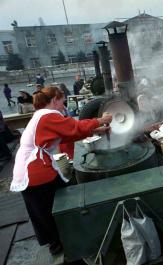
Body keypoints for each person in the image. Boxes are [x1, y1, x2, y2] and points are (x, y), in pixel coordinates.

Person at [10, 86, 112, 255]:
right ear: (54, 100)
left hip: (32, 168)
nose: (64, 105)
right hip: (35, 171)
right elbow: (73, 126)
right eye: (62, 101)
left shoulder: (41, 116)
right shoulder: (48, 115)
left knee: (46, 210)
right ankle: (65, 248)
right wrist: (101, 120)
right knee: (53, 211)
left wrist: (95, 130)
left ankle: (60, 243)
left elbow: (66, 135)